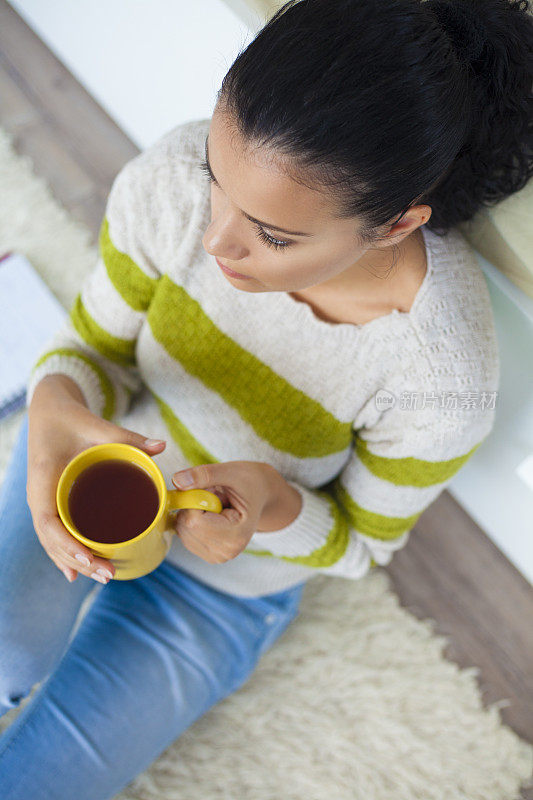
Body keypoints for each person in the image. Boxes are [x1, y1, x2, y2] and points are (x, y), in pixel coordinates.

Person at [1, 0, 531, 797]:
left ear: (393, 224)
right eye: (217, 181)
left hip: (223, 589)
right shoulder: (171, 183)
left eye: (273, 236)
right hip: (93, 477)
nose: (216, 240)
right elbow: (91, 354)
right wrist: (50, 414)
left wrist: (274, 502)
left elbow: (358, 544)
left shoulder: (440, 379)